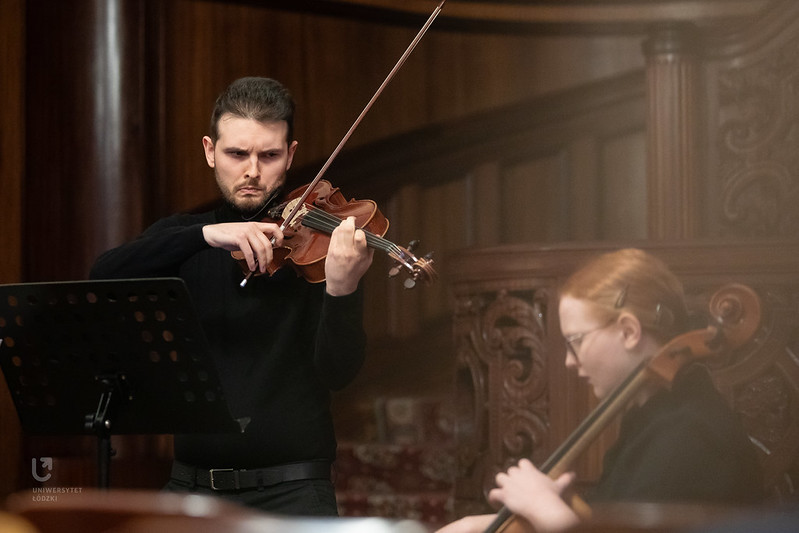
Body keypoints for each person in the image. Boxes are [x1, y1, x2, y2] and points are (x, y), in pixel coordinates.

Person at [90, 77, 374, 516]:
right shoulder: (184, 237)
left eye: (270, 155)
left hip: (294, 491)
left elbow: (339, 372)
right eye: (237, 154)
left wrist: (342, 289)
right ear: (210, 151)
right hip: (190, 489)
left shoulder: (320, 245)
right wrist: (204, 235)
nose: (252, 171)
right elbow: (103, 275)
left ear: (291, 155)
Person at [437, 248, 763, 533]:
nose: (568, 361)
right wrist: (477, 526)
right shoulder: (651, 417)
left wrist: (544, 507)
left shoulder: (689, 433)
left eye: (575, 342)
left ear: (629, 331)